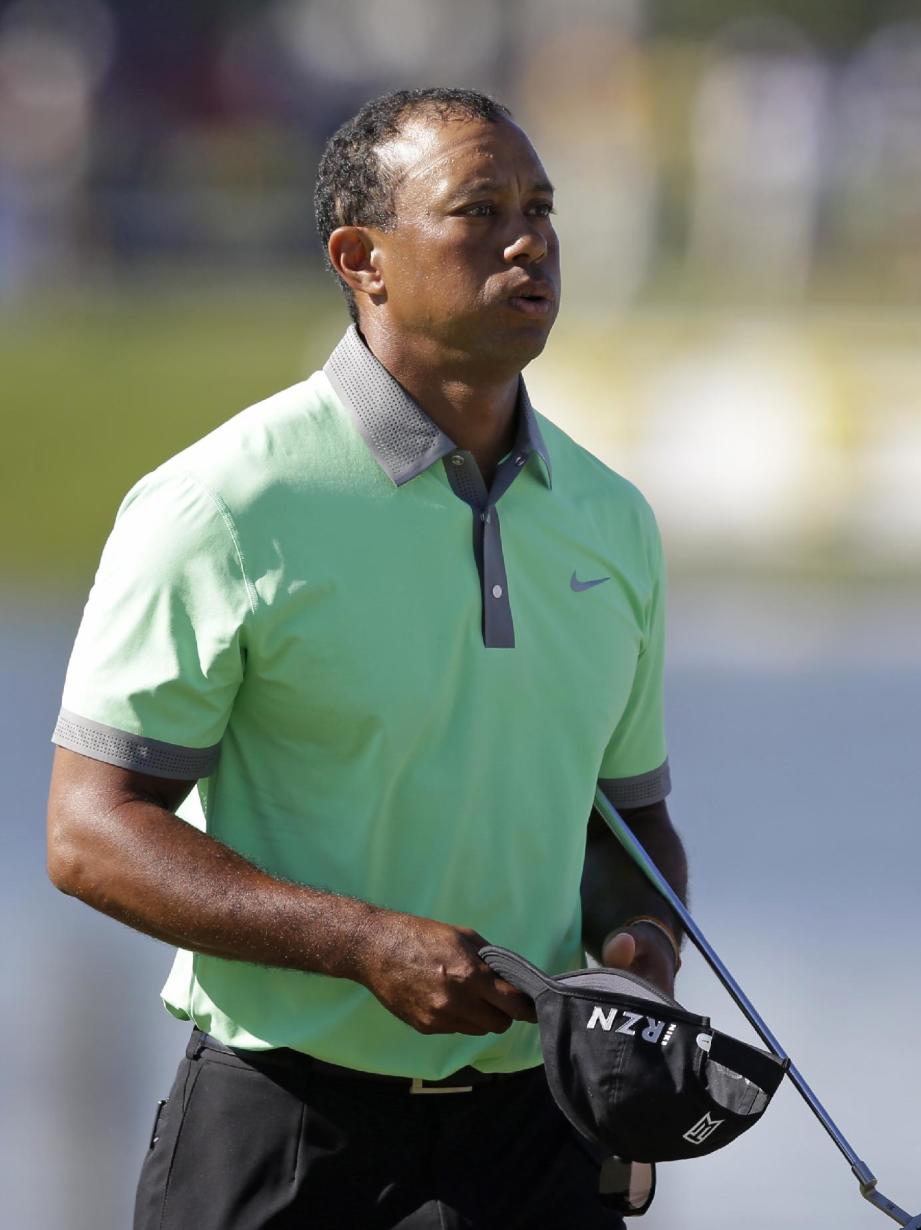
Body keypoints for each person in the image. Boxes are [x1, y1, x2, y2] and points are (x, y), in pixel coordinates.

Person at [46, 87, 688, 1230]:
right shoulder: (223, 502)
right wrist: (363, 946)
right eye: (478, 209)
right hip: (287, 1131)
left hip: (540, 1138)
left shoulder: (613, 517)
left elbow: (626, 826)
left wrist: (639, 956)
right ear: (363, 258)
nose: (528, 238)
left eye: (540, 207)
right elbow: (92, 832)